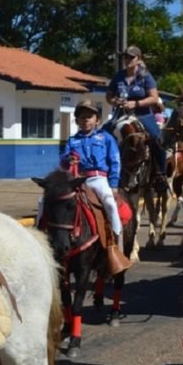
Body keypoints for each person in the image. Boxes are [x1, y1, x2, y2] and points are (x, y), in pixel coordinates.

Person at [62, 99, 124, 252]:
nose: (86, 120)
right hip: (77, 179)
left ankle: (117, 245)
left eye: (90, 116)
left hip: (98, 179)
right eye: (82, 117)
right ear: (77, 121)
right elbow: (62, 162)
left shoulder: (106, 138)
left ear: (98, 120)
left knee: (109, 203)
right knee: (52, 201)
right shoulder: (72, 141)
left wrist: (114, 185)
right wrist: (67, 159)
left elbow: (115, 161)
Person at [106, 45, 167, 188]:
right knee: (102, 134)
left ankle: (161, 175)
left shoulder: (146, 76)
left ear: (138, 59)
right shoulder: (118, 76)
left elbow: (154, 97)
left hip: (143, 115)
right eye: (125, 57)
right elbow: (108, 96)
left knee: (159, 140)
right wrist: (114, 101)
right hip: (121, 114)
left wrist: (136, 103)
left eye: (130, 57)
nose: (127, 60)